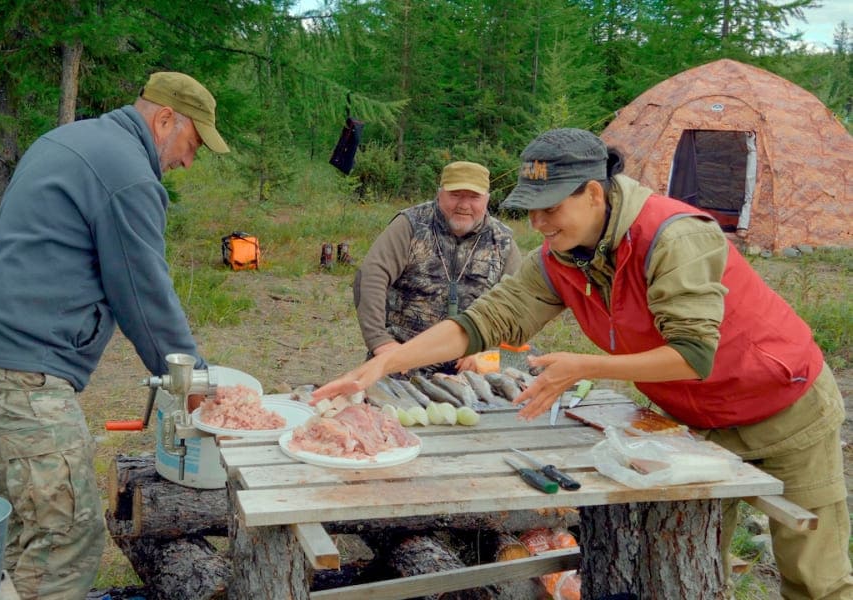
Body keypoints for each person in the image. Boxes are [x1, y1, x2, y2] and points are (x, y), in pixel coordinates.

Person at [315, 128, 852, 599]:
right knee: (695, 561)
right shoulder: (560, 257)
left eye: (551, 208)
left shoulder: (674, 236)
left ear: (594, 193)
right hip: (695, 423)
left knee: (814, 575)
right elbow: (483, 322)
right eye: (531, 209)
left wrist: (586, 366)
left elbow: (693, 354)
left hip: (784, 407)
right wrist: (384, 365)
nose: (539, 223)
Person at [0, 71, 229, 600]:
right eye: (191, 145)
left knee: (31, 530)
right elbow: (145, 294)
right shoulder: (127, 174)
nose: (188, 162)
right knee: (68, 537)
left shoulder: (69, 139)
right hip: (24, 377)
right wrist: (192, 379)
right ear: (165, 119)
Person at [353, 160, 521, 375]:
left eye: (473, 197)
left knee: (529, 360)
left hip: (472, 363)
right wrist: (381, 343)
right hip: (406, 357)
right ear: (439, 194)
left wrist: (490, 354)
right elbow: (371, 276)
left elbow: (517, 307)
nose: (464, 204)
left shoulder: (502, 240)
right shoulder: (411, 225)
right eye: (455, 195)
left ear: (487, 199)